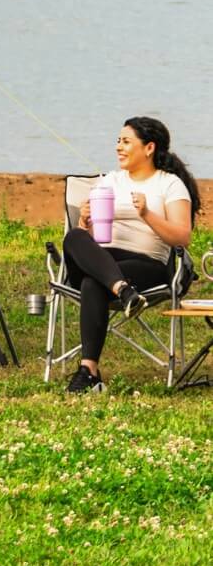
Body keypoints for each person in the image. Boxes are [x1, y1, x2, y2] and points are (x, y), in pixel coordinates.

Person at [62, 116, 199, 395]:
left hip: (147, 266)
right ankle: (123, 291)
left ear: (149, 148)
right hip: (108, 262)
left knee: (92, 282)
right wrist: (84, 223)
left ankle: (89, 372)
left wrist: (147, 214)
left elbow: (181, 237)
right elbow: (87, 242)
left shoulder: (169, 185)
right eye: (118, 141)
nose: (118, 147)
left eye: (126, 141)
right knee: (74, 237)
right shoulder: (109, 181)